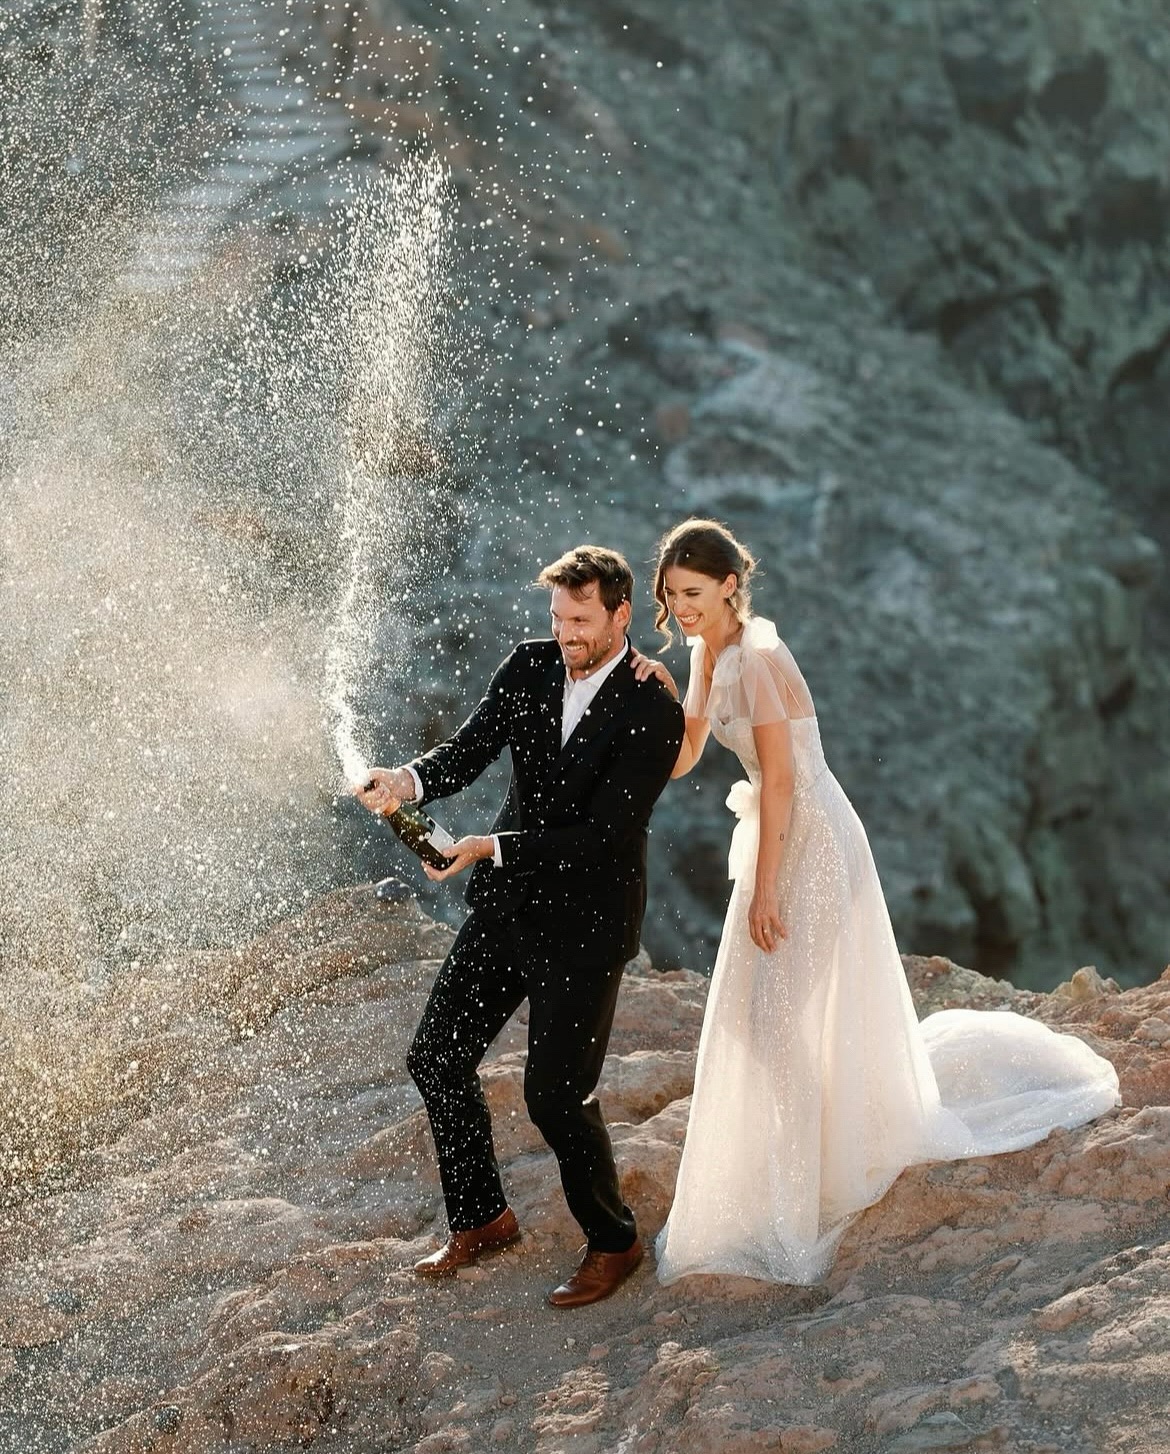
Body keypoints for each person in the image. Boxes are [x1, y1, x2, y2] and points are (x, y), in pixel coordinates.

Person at [631, 519, 1120, 1286]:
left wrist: (766, 890)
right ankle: (809, 1160)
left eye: (693, 593)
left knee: (775, 1018)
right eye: (671, 595)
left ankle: (809, 1184)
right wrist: (657, 694)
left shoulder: (759, 657)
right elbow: (688, 753)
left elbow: (783, 780)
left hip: (814, 844)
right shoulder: (703, 654)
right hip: (777, 837)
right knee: (761, 1019)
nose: (681, 608)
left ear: (730, 585)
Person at [357, 546, 684, 1307]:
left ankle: (615, 1242)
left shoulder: (652, 708)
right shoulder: (529, 665)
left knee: (555, 1098)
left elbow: (604, 836)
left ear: (620, 615)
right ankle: (482, 1219)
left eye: (581, 619)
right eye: (558, 617)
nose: (566, 632)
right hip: (506, 910)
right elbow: (468, 752)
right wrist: (406, 781)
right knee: (437, 1057)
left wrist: (488, 847)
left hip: (586, 926)